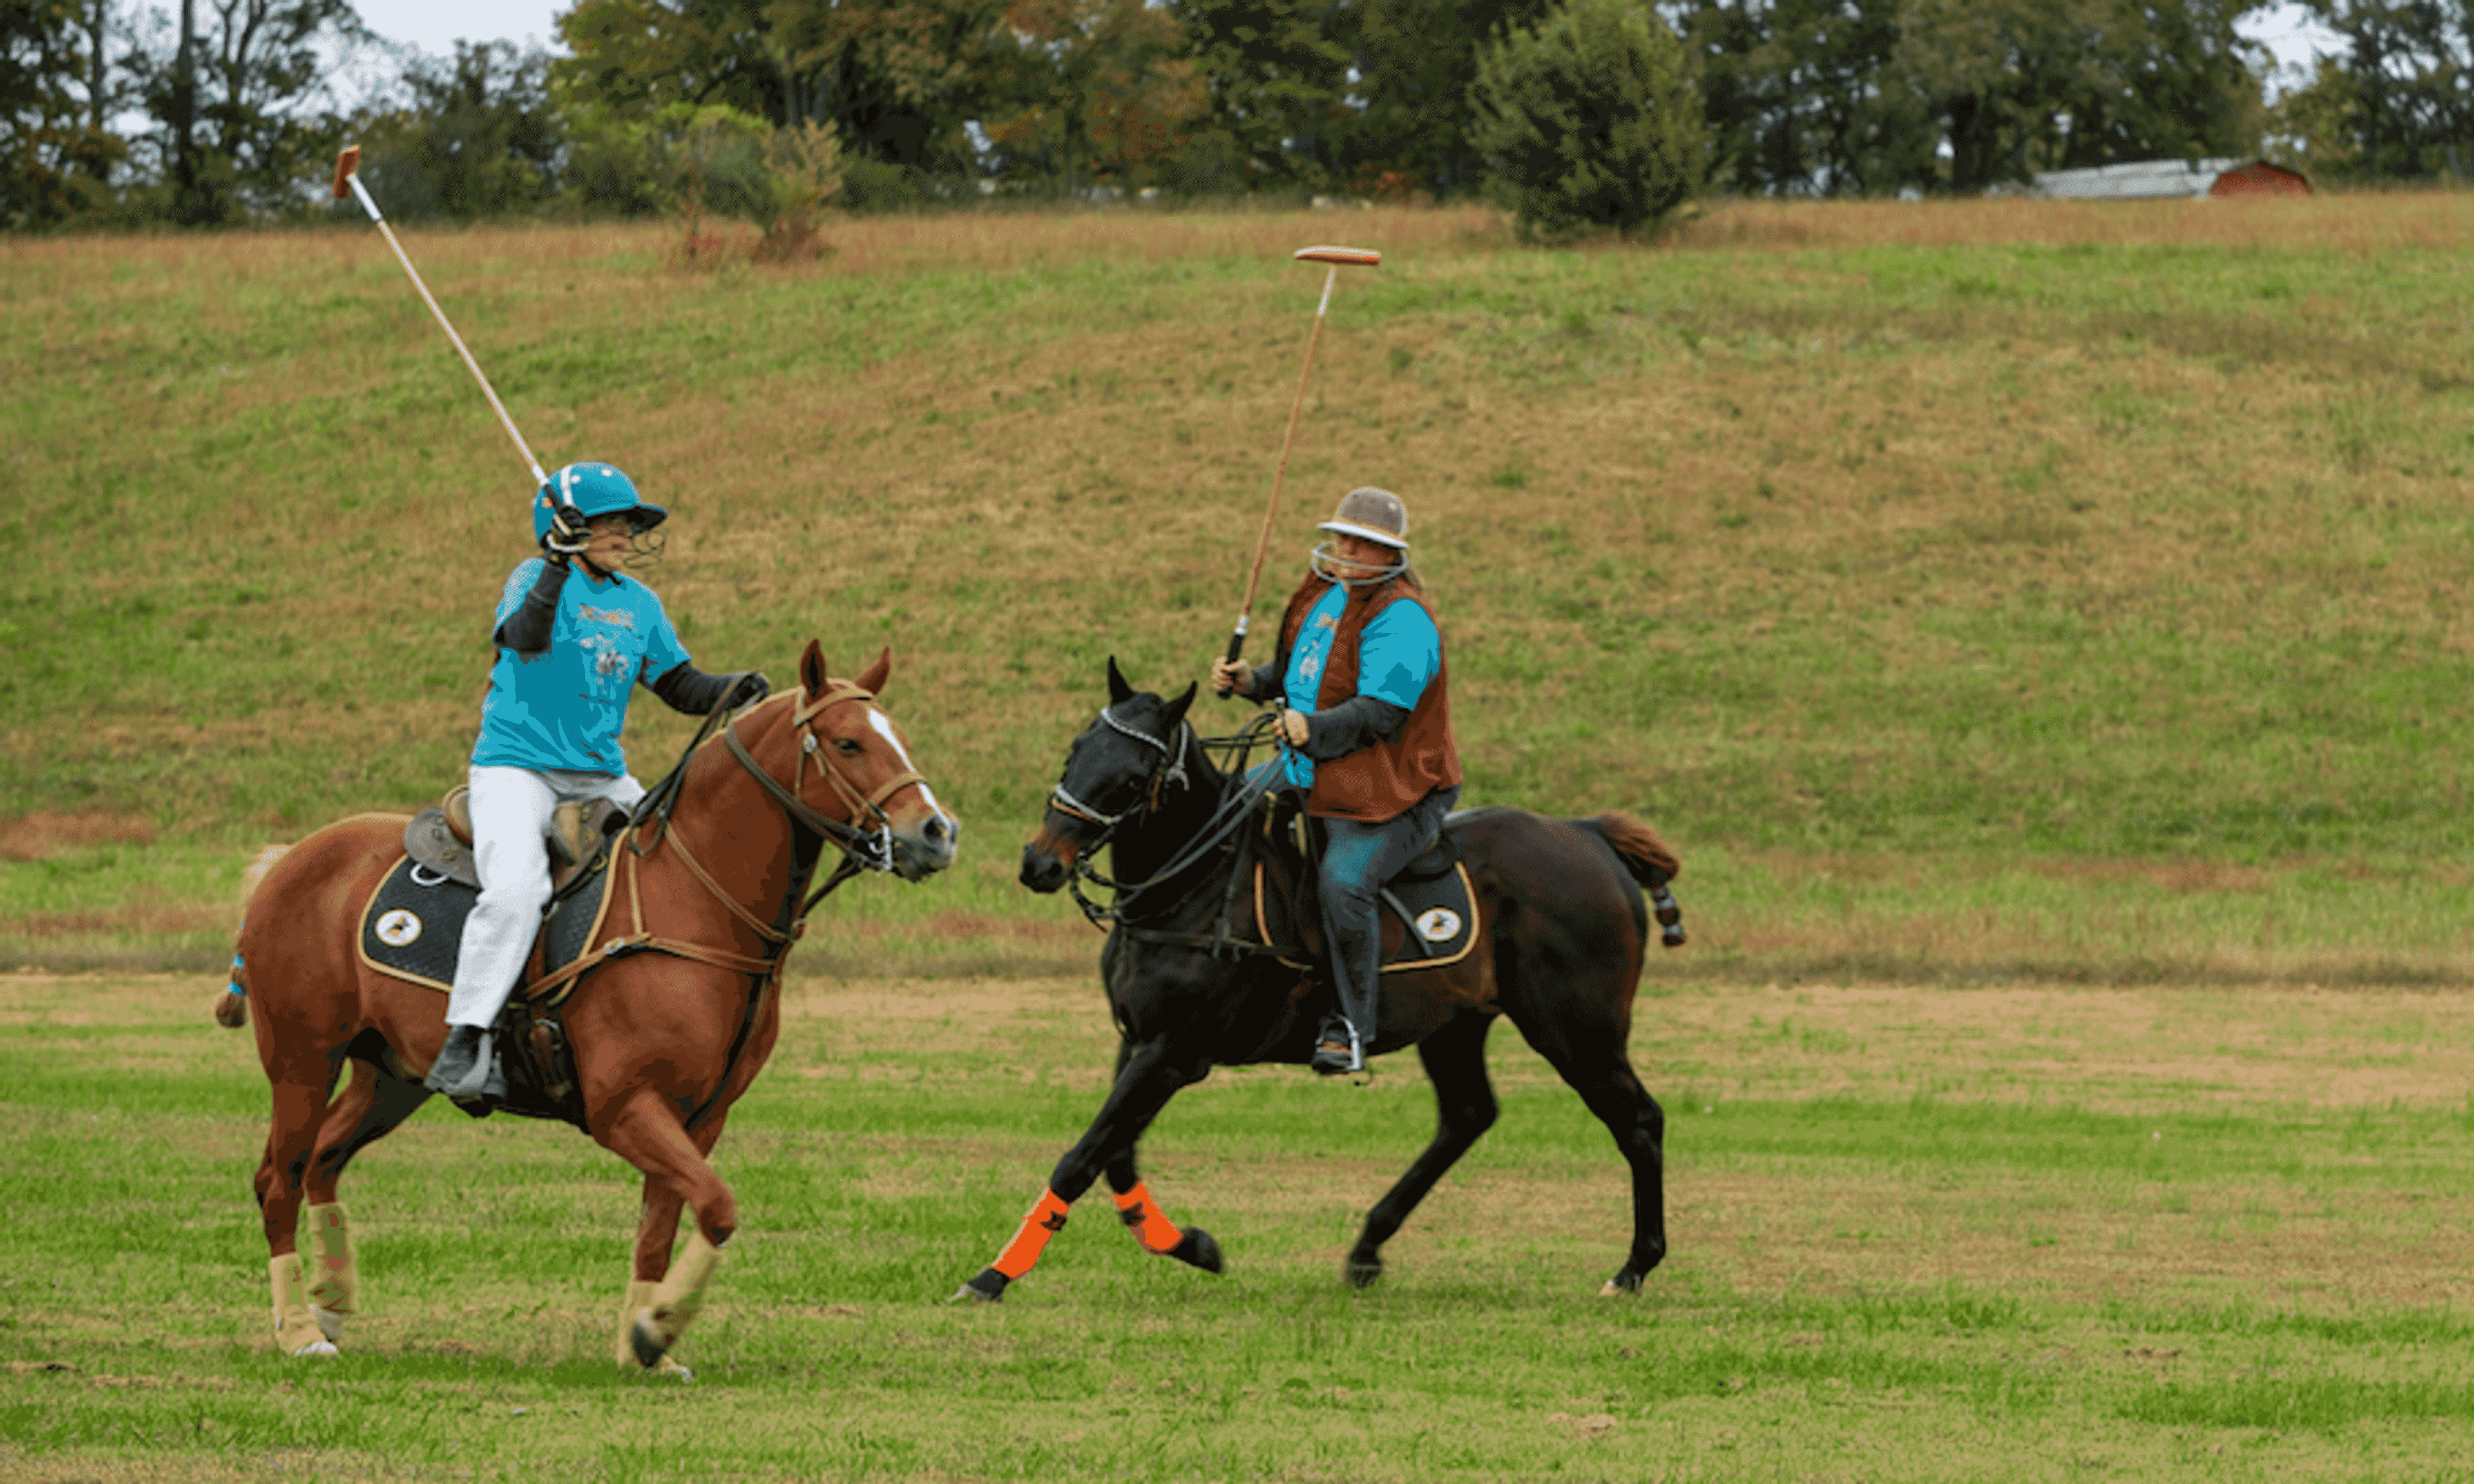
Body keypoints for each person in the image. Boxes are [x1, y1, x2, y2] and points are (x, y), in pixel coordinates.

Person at [427, 462, 767, 1101]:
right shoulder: (532, 579)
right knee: (518, 891)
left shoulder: (640, 603)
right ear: (568, 527)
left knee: (681, 861)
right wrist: (555, 566)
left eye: (629, 523)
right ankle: (465, 1037)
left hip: (600, 776)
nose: (625, 534)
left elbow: (678, 684)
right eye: (612, 522)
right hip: (515, 766)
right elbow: (522, 639)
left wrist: (731, 687)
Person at [1211, 486, 1462, 1076]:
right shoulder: (1328, 598)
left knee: (1344, 882)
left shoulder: (1403, 620)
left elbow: (1380, 714)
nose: (1344, 548)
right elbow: (1305, 677)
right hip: (1313, 767)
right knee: (1226, 810)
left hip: (1392, 789)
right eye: (1341, 535)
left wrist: (1310, 729)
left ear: (1389, 554)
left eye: (1362, 543)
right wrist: (1252, 681)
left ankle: (1349, 1027)